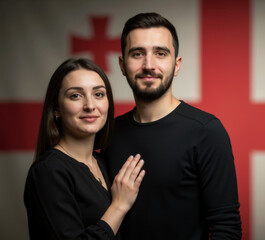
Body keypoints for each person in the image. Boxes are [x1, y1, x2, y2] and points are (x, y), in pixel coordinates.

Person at [103, 12, 242, 239]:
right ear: (122, 64)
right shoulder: (109, 133)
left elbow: (226, 228)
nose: (149, 65)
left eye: (160, 53)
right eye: (137, 53)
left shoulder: (206, 132)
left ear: (176, 65)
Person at [24, 58, 145, 240]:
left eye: (98, 94)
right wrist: (119, 206)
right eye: (76, 95)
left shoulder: (103, 162)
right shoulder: (48, 171)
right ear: (56, 108)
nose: (90, 105)